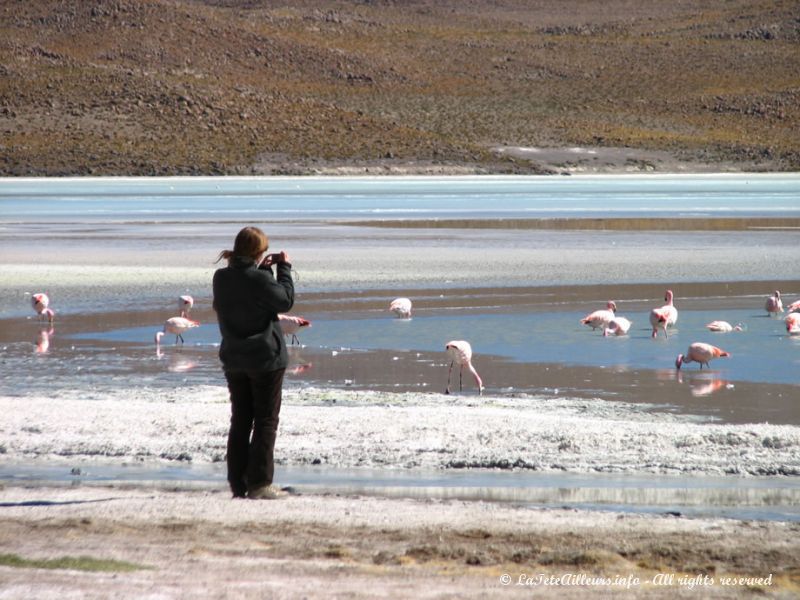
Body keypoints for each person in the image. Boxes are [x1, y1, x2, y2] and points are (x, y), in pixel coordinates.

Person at [212, 226, 294, 499]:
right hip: (264, 359)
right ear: (258, 252)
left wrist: (264, 271)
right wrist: (284, 269)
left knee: (241, 420)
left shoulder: (221, 277)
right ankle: (260, 483)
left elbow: (253, 293)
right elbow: (284, 301)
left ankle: (238, 483)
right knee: (266, 421)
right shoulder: (258, 280)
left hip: (234, 359)